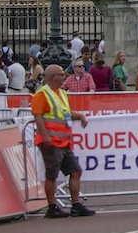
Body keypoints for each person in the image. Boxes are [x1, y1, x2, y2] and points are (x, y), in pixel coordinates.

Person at [31, 63, 94, 217]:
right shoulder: (42, 94)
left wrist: (80, 116)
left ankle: (76, 205)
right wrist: (45, 136)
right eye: (61, 74)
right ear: (54, 77)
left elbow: (65, 112)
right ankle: (52, 208)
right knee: (51, 175)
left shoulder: (61, 93)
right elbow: (37, 115)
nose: (64, 76)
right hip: (51, 142)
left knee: (75, 171)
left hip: (64, 142)